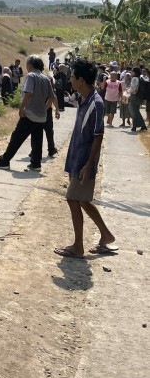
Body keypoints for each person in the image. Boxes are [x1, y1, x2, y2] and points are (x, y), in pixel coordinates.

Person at [54, 59, 117, 258]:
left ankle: (78, 246)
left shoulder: (96, 103)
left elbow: (98, 135)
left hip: (84, 161)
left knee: (73, 199)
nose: (71, 80)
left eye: (73, 78)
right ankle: (106, 235)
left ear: (81, 80)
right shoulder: (84, 99)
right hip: (77, 159)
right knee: (82, 200)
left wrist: (88, 165)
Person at [0, 55, 55, 173]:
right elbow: (52, 97)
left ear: (29, 66)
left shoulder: (31, 76)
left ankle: (4, 161)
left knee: (16, 137)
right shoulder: (45, 78)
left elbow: (28, 94)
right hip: (41, 116)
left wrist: (21, 109)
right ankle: (36, 164)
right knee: (37, 139)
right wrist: (44, 109)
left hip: (29, 114)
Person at [129, 67, 148, 132]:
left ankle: (141, 125)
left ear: (135, 72)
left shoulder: (134, 79)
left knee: (134, 111)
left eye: (132, 71)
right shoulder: (140, 78)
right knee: (136, 110)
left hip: (134, 95)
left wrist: (129, 93)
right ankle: (137, 126)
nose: (131, 73)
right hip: (139, 97)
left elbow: (133, 88)